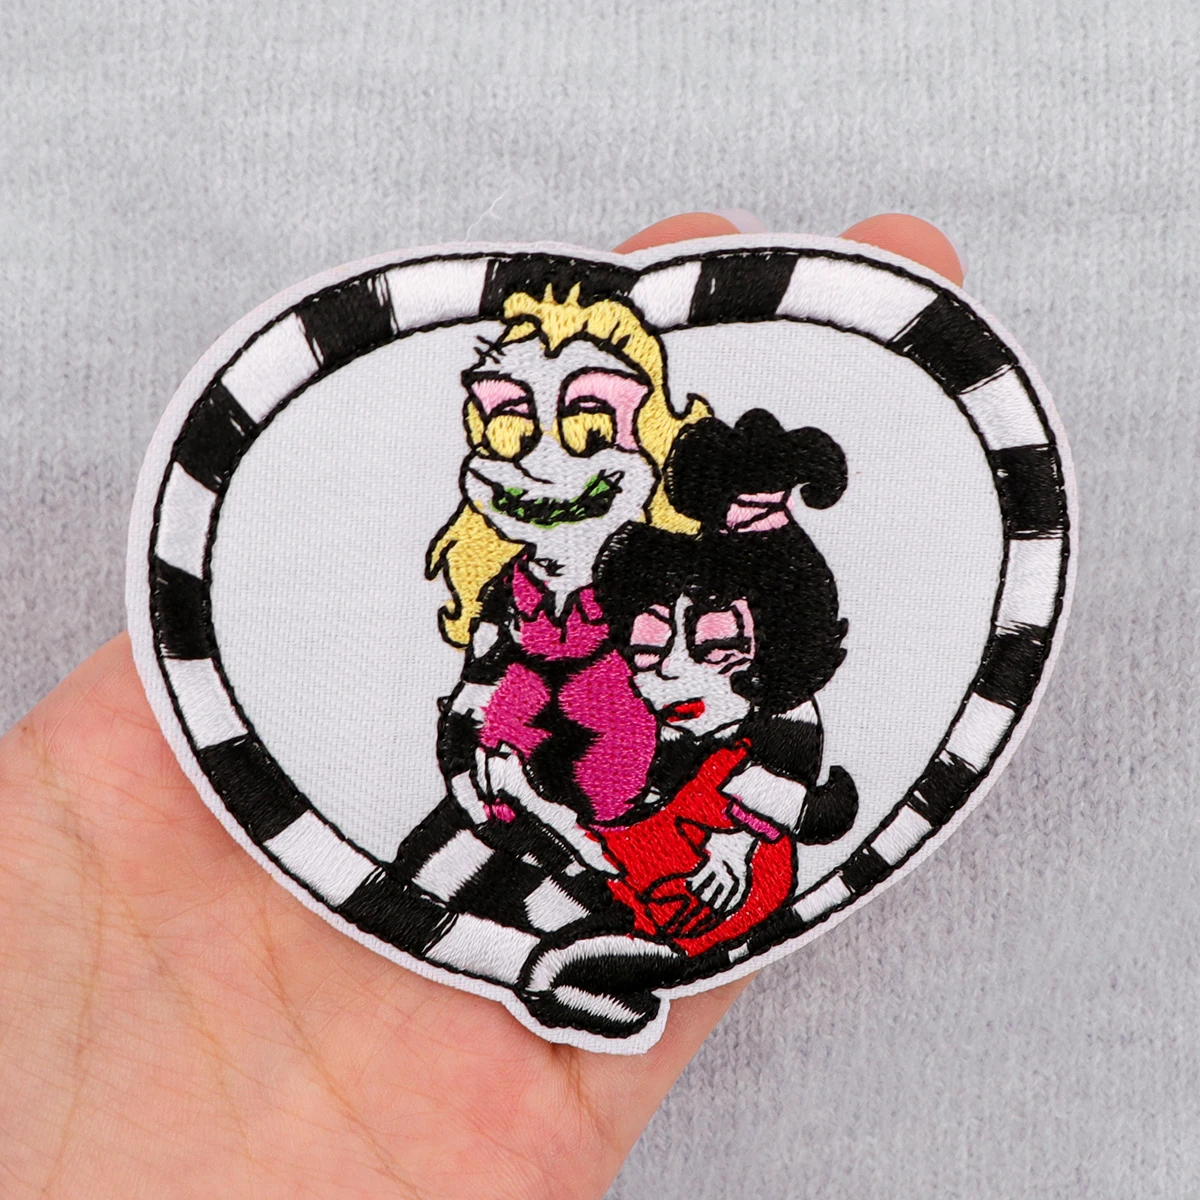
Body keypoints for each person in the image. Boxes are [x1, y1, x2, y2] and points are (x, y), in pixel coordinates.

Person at [0, 212, 964, 1197]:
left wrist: (733, 831)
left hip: (644, 848)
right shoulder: (512, 603)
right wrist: (484, 781)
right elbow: (473, 715)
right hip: (514, 838)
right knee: (439, 875)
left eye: (588, 422)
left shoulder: (686, 594)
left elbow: (782, 715)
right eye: (506, 419)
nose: (538, 458)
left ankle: (589, 956)